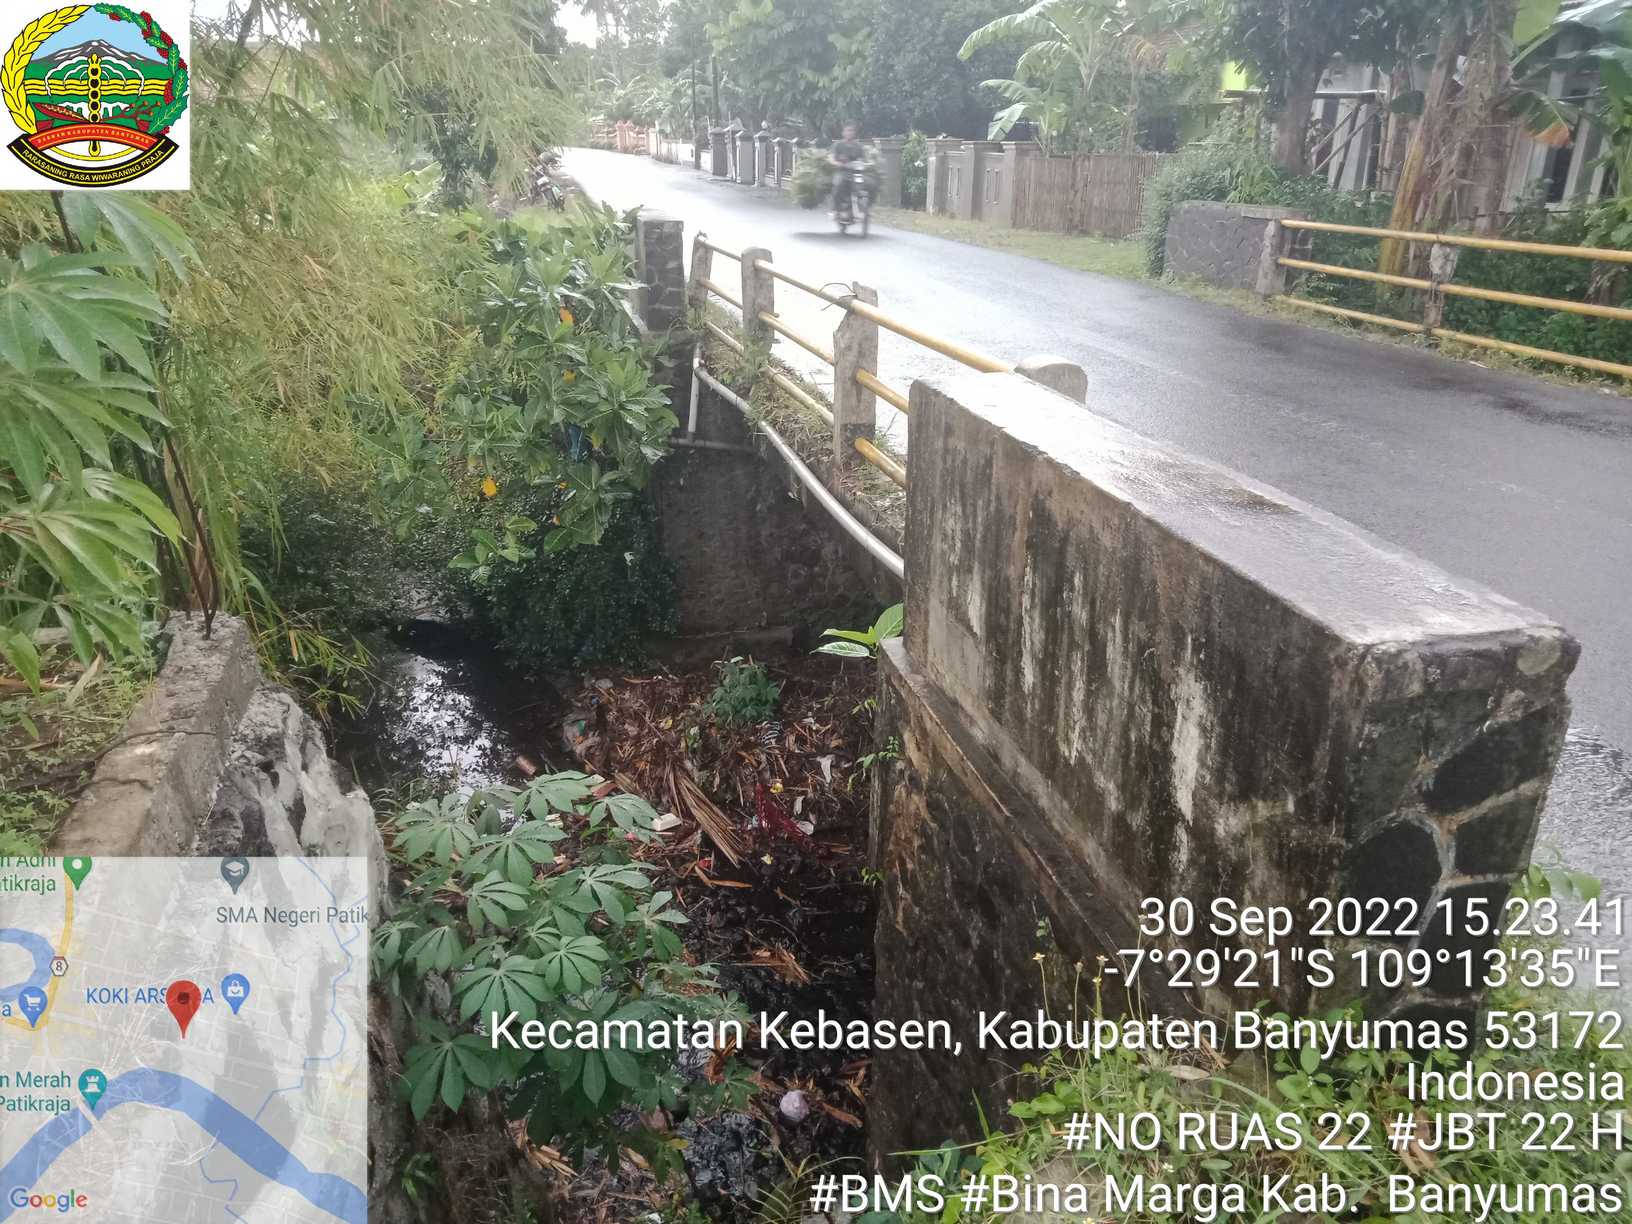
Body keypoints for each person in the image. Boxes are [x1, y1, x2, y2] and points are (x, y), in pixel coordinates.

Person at [831, 122, 866, 217]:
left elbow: (862, 159)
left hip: (856, 173)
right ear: (843, 132)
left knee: (863, 186)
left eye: (852, 130)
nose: (850, 132)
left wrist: (861, 163)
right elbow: (832, 159)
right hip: (841, 172)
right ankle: (836, 209)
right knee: (838, 185)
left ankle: (862, 208)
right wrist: (838, 164)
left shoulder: (858, 146)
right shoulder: (838, 145)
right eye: (848, 130)